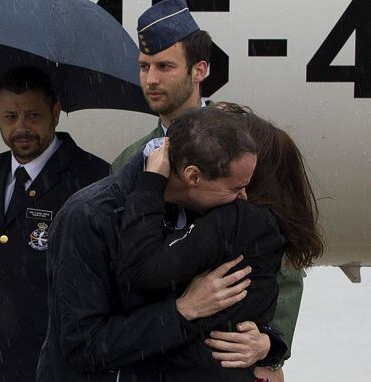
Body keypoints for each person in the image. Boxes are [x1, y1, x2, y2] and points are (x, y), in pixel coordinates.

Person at [111, 1, 303, 379]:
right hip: (156, 356)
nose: (151, 80)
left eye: (165, 67)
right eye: (144, 67)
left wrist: (269, 349)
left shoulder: (248, 149)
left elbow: (285, 260)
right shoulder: (130, 162)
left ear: (200, 70)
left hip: (228, 358)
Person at [37, 107, 287, 381]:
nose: (243, 198)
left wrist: (266, 343)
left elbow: (243, 297)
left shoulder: (209, 208)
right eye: (234, 188)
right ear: (192, 177)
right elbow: (84, 346)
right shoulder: (89, 217)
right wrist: (183, 310)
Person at [114, 104, 323, 380]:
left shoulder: (236, 221)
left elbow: (141, 272)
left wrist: (150, 184)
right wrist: (271, 345)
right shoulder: (259, 227)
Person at [0, 66, 110, 381]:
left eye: (32, 115)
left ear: (55, 113)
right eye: (10, 117)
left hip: (56, 363)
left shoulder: (92, 176)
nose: (21, 128)